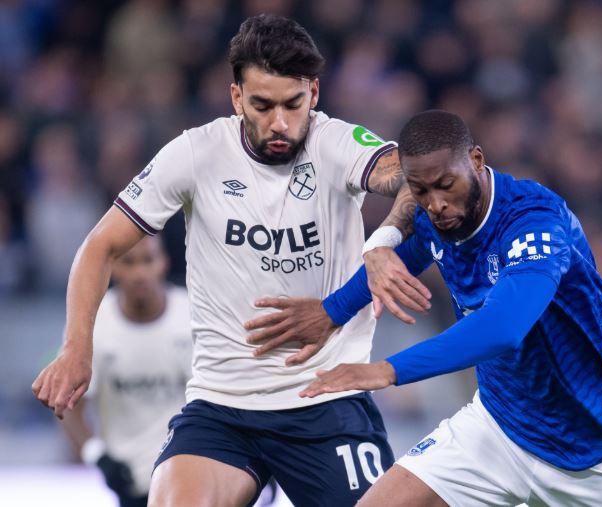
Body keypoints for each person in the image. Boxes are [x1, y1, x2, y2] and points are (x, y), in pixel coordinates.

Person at [32, 14, 429, 507]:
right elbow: (100, 245)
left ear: (314, 93)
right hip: (224, 406)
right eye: (262, 105)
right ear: (237, 97)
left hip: (326, 397)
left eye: (293, 104)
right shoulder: (196, 153)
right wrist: (76, 349)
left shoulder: (337, 143)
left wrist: (381, 243)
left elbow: (417, 176)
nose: (279, 122)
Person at [249, 110, 602, 506]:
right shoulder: (439, 218)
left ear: (476, 160)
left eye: (446, 184)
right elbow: (405, 257)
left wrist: (387, 370)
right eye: (421, 191)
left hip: (594, 447)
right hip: (498, 427)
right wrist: (331, 313)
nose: (436, 203)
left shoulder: (535, 222)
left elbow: (502, 328)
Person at [59, 236, 192, 507]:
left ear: (164, 263)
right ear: (112, 267)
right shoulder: (92, 324)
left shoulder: (192, 314)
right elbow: (69, 406)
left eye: (148, 260)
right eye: (128, 262)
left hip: (188, 472)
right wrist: (97, 456)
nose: (139, 273)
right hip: (128, 481)